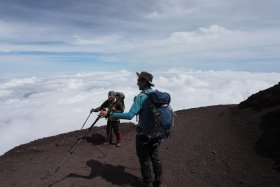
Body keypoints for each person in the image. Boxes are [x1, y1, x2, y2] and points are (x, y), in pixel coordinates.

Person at [99, 71, 163, 187]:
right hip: (157, 132)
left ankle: (147, 183)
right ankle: (158, 182)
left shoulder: (141, 96)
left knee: (144, 159)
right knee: (155, 157)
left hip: (143, 134)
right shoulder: (157, 95)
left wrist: (109, 114)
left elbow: (129, 115)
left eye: (139, 80)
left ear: (144, 82)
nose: (137, 82)